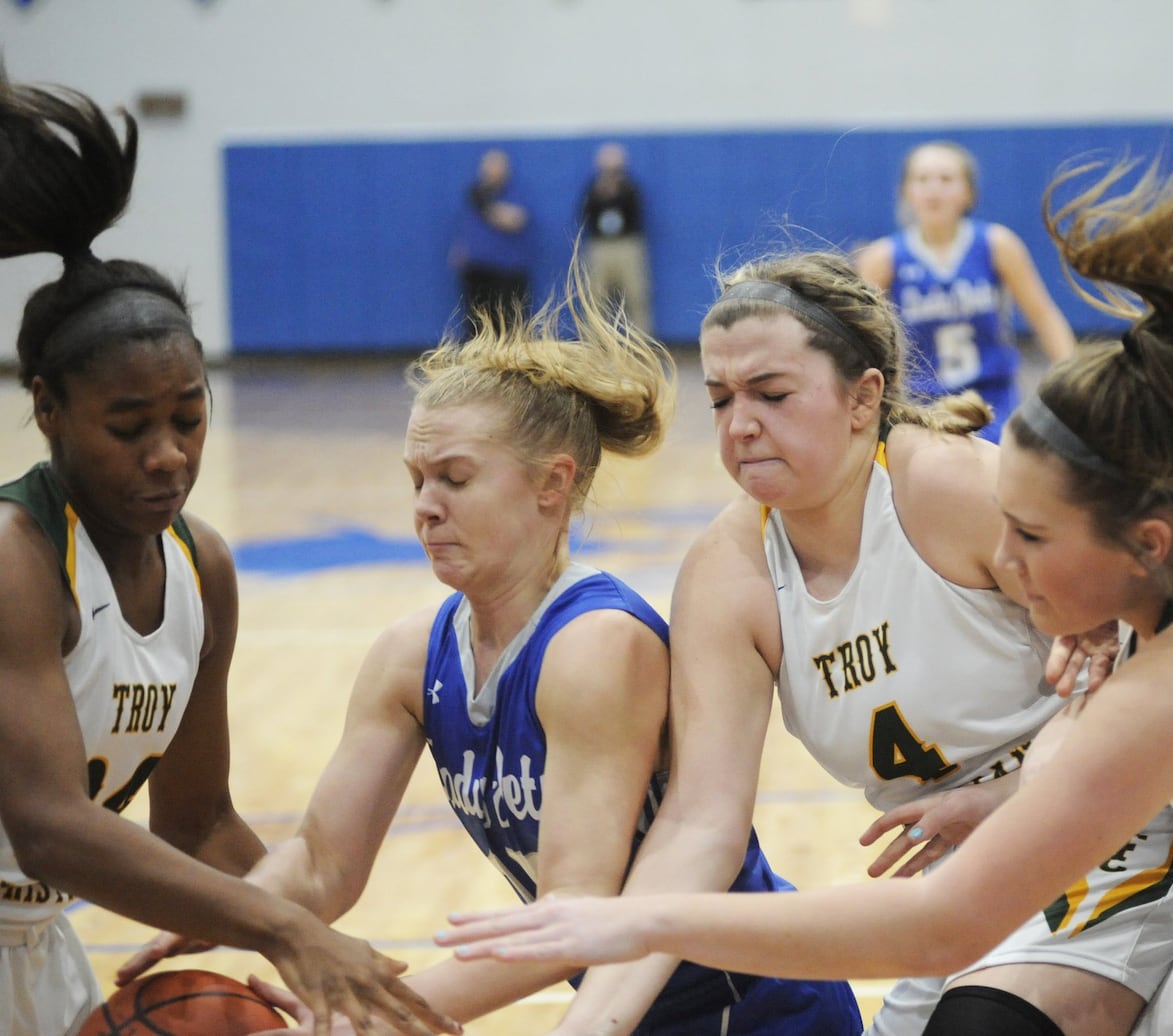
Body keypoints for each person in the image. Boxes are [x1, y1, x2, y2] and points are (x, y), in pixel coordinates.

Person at [437, 127, 1173, 1034]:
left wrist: (626, 921)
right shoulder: (1172, 571)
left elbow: (946, 916)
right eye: (721, 396)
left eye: (1029, 537)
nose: (1010, 564)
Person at [116, 268, 863, 1035]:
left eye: (455, 478)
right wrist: (243, 912)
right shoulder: (410, 656)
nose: (425, 506)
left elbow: (571, 912)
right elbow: (321, 861)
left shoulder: (596, 645)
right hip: (630, 1011)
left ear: (551, 485)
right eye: (416, 480)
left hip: (757, 1007)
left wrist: (362, 1015)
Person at [534, 249, 1173, 1036]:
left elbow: (1171, 664)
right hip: (967, 884)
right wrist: (594, 1021)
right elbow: (700, 822)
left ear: (864, 397)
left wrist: (1011, 797)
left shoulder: (947, 486)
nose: (742, 424)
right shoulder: (725, 576)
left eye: (772, 394)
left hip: (1115, 819)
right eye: (722, 399)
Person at [0, 76, 456, 1036]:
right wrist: (284, 931)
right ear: (46, 408)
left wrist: (343, 973)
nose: (168, 453)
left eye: (188, 416)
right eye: (128, 426)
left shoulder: (201, 567)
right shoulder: (17, 558)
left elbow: (197, 823)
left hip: (38, 951)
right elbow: (46, 828)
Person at [856, 140, 1077, 442]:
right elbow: (861, 340)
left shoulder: (998, 245)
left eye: (946, 179)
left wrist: (1076, 383)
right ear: (906, 192)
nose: (934, 190)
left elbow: (1044, 317)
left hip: (993, 402)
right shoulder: (883, 257)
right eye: (922, 180)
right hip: (919, 407)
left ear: (968, 193)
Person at [447, 148, 533, 337]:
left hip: (507, 270)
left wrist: (487, 207)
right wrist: (461, 248)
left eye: (497, 167)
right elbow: (466, 225)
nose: (492, 172)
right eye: (488, 167)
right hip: (477, 269)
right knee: (476, 319)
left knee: (509, 321)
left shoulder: (514, 192)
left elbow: (515, 220)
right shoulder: (474, 193)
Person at [579, 142, 653, 335]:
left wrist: (617, 193)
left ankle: (641, 343)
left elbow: (637, 215)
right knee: (596, 298)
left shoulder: (631, 189)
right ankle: (595, 344)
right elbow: (584, 216)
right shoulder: (592, 189)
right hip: (600, 247)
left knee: (636, 296)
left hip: (627, 245)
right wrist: (601, 194)